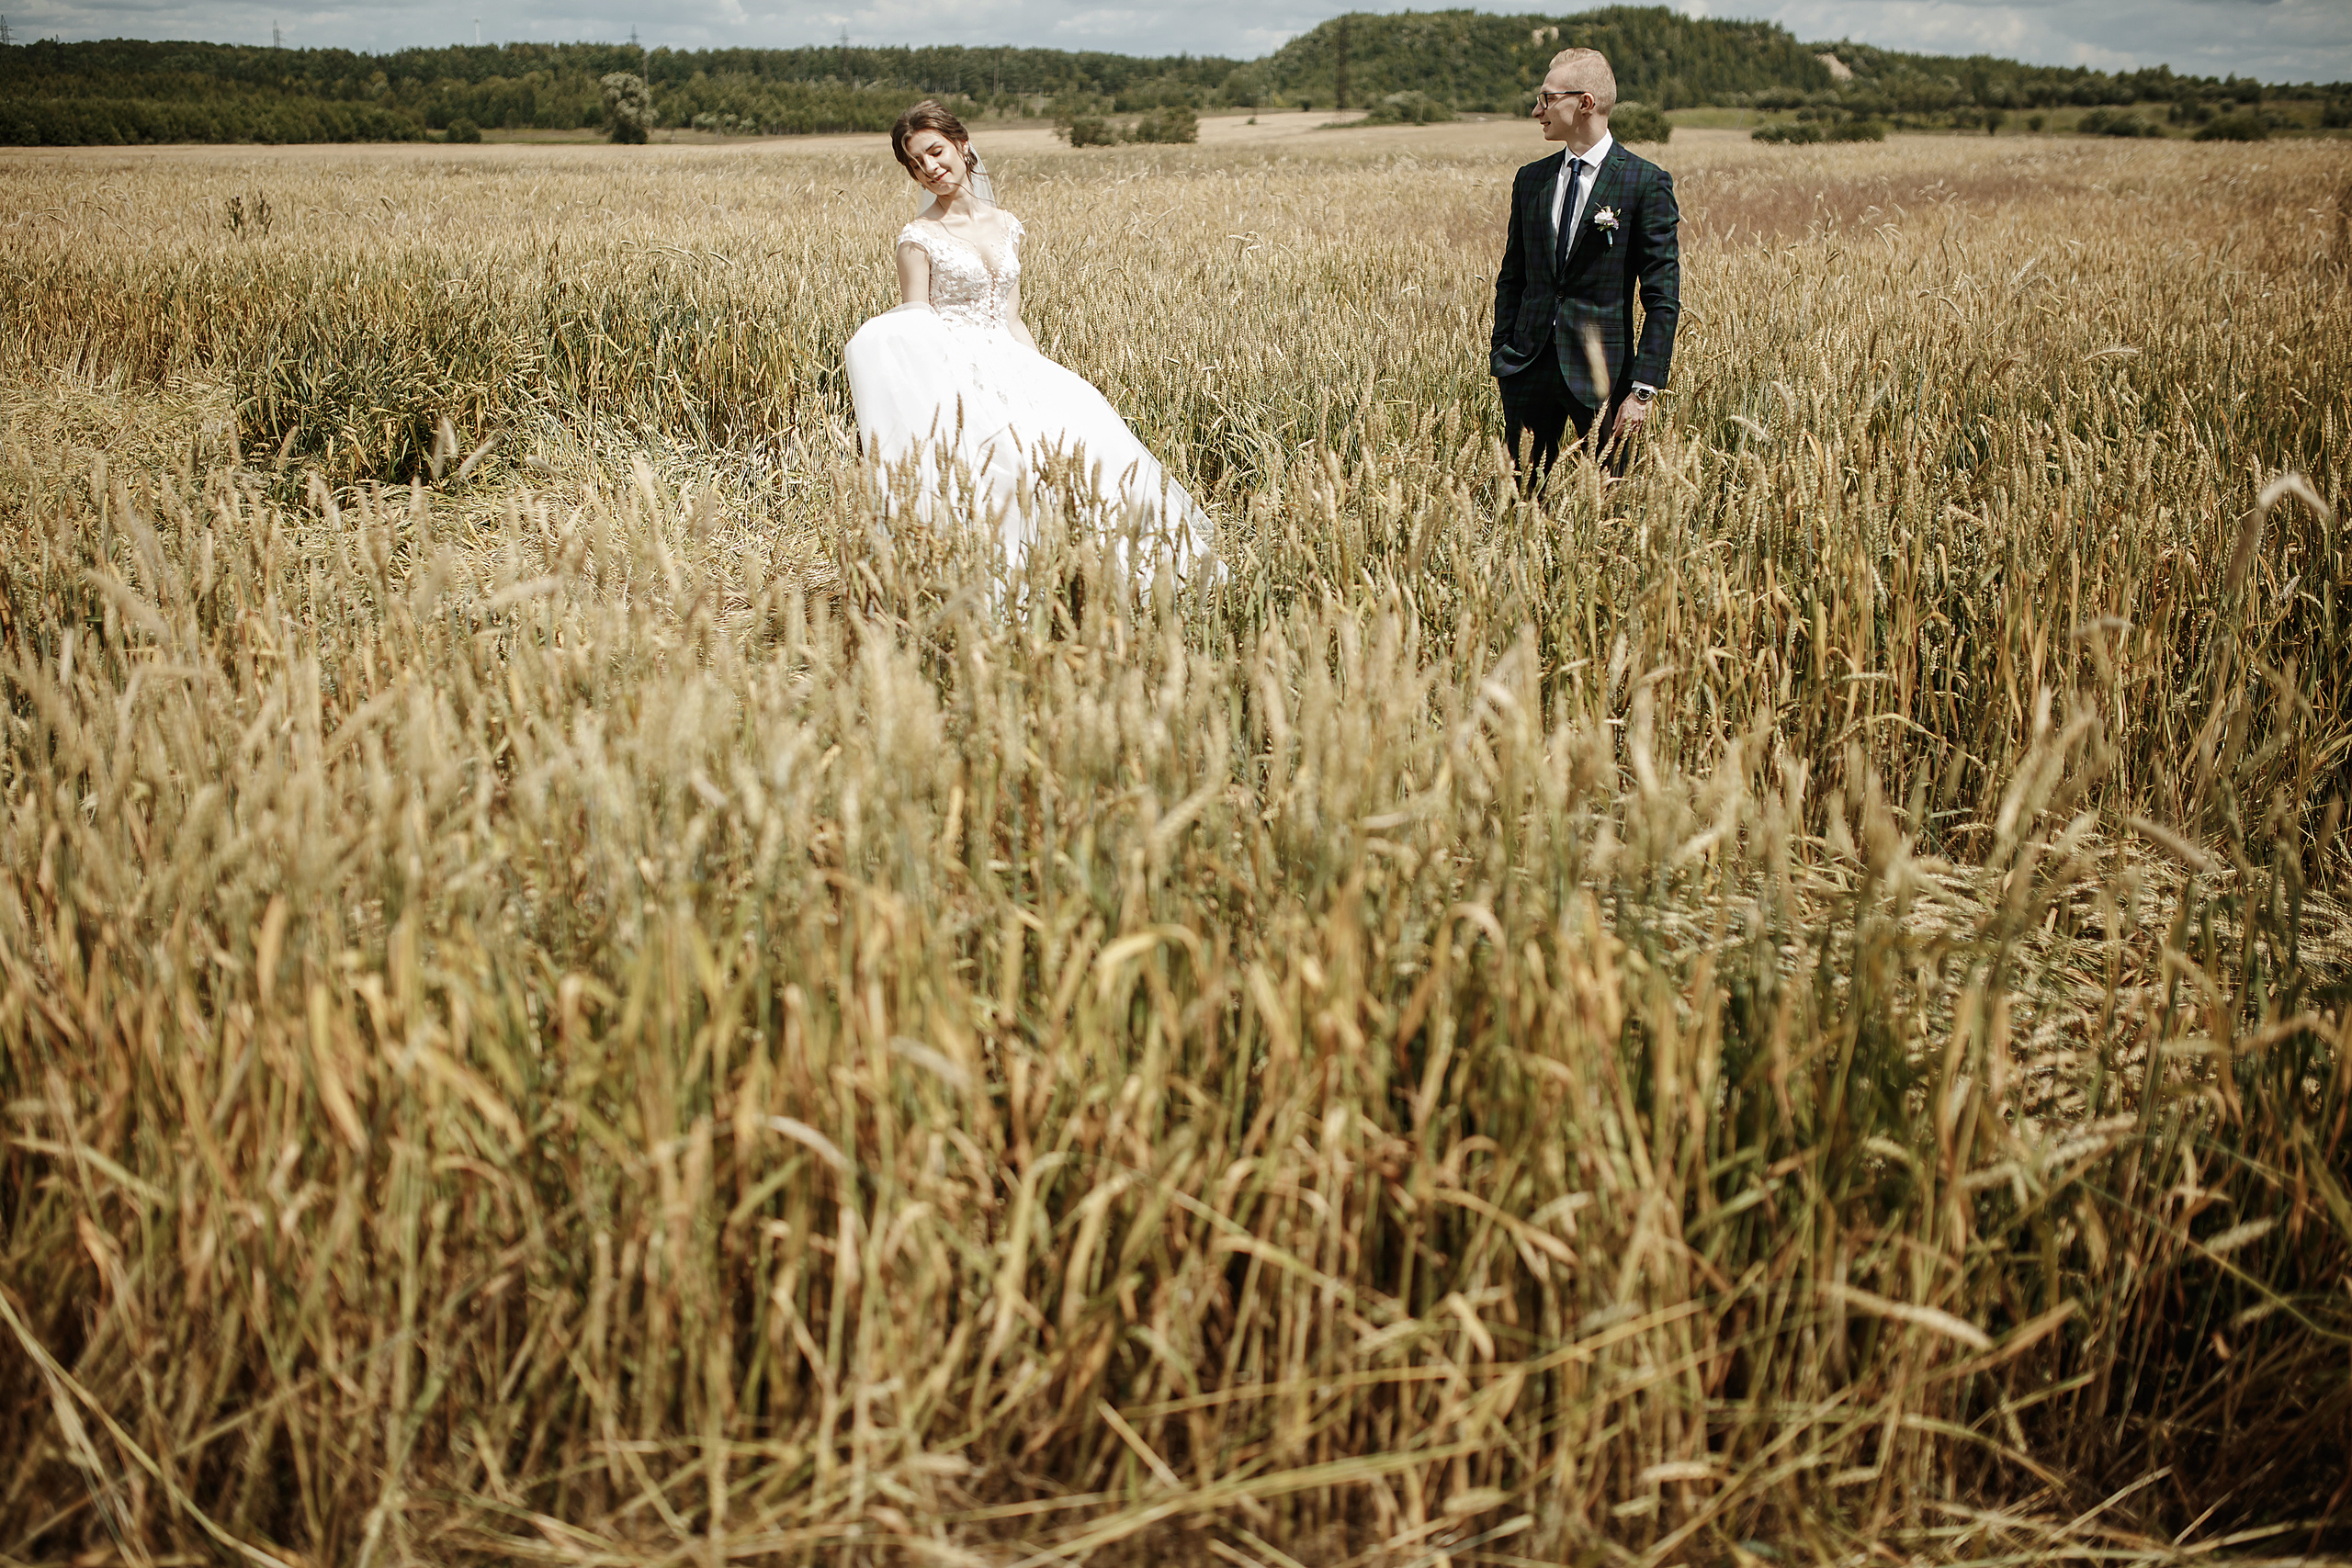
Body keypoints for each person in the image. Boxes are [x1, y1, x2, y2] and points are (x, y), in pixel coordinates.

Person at [843, 101, 1212, 581]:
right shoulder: (918, 238)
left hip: (1014, 360)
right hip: (959, 370)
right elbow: (917, 324)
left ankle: (1123, 575)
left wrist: (1042, 378)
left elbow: (1012, 315)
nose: (931, 168)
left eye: (936, 152)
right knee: (1004, 470)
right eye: (916, 163)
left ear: (962, 144)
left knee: (1086, 446)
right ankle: (1011, 581)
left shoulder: (1006, 224)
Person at [1489, 48, 1680, 479]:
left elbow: (1662, 297)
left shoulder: (1644, 182)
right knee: (1522, 499)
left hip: (1604, 381)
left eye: (1547, 98)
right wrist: (1503, 355)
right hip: (1527, 369)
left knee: (1609, 504)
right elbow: (1512, 276)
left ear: (1585, 103)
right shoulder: (1530, 179)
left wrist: (1643, 390)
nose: (1537, 110)